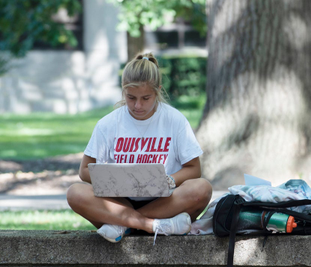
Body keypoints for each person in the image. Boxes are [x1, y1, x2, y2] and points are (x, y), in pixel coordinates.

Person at [67, 53, 213, 243]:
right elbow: (84, 171)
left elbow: (194, 169)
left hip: (165, 201)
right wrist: (111, 177)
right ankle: (154, 226)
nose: (138, 105)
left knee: (202, 188)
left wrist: (169, 180)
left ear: (158, 90)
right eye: (131, 98)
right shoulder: (108, 123)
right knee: (75, 193)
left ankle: (122, 225)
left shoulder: (174, 120)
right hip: (120, 201)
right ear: (123, 91)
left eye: (146, 98)